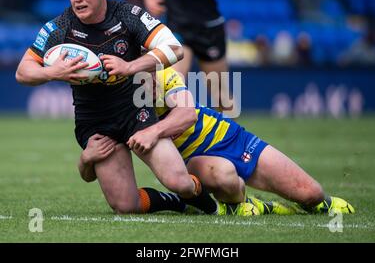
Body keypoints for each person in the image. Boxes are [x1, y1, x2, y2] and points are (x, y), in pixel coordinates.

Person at [15, 0, 255, 216]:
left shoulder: (128, 16)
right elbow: (23, 71)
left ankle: (206, 200)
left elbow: (174, 48)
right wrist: (52, 72)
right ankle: (174, 203)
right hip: (96, 123)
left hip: (135, 111)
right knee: (126, 206)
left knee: (180, 182)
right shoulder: (60, 27)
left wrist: (130, 67)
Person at [80, 67, 355, 216]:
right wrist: (86, 159)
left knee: (311, 193)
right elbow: (93, 170)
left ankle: (312, 202)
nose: (146, 82)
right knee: (224, 175)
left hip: (234, 138)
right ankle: (245, 204)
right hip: (194, 162)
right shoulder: (120, 109)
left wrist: (153, 132)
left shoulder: (164, 75)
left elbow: (186, 114)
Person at [142, 0, 238, 117]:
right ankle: (177, 138)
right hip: (176, 29)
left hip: (208, 28)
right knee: (169, 86)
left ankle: (236, 140)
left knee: (220, 95)